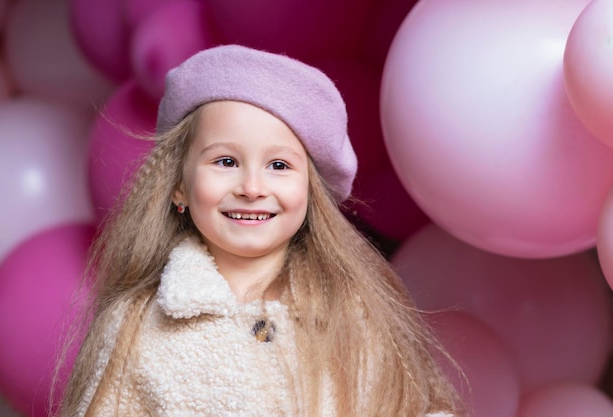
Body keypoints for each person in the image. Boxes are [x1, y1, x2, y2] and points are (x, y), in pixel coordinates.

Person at [57, 44, 461, 417]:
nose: (252, 188)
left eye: (279, 166)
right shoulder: (136, 327)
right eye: (226, 161)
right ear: (179, 184)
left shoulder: (355, 315)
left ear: (310, 192)